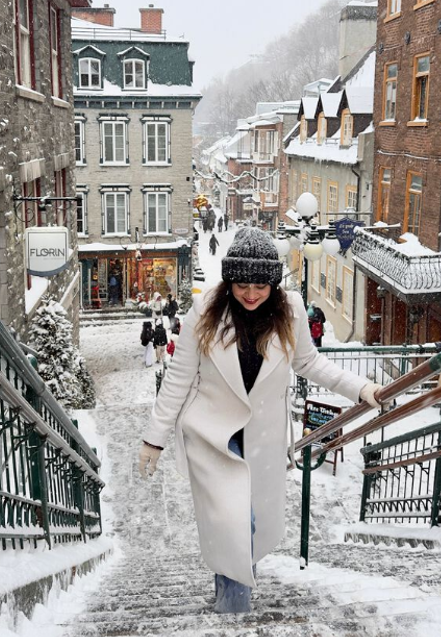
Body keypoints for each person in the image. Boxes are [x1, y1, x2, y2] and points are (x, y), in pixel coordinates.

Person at [137, 227, 383, 614]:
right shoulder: (204, 314)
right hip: (213, 433)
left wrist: (361, 388)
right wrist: (155, 438)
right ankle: (235, 611)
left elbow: (309, 362)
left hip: (262, 434)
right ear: (230, 281)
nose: (251, 294)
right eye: (242, 285)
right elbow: (179, 379)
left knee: (238, 525)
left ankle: (229, 592)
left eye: (260, 286)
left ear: (273, 283)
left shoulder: (292, 311)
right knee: (234, 521)